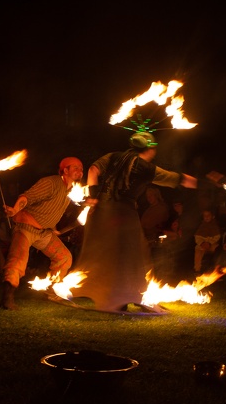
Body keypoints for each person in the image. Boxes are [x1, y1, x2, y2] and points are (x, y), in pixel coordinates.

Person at [70, 131, 202, 312]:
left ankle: (122, 300)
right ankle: (139, 299)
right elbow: (176, 179)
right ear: (150, 148)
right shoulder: (146, 168)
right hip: (123, 213)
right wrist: (202, 183)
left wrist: (93, 198)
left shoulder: (114, 156)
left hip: (101, 212)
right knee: (136, 255)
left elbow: (93, 170)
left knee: (113, 257)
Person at [0, 157, 85, 310]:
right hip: (26, 226)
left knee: (64, 257)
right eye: (75, 168)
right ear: (65, 170)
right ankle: (7, 298)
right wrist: (15, 209)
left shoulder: (72, 190)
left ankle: (53, 291)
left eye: (81, 168)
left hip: (45, 233)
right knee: (17, 259)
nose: (80, 171)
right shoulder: (51, 182)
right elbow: (28, 196)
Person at [193, 209, 222, 273]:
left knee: (216, 250)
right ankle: (197, 269)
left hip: (212, 244)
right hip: (203, 245)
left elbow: (217, 236)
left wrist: (209, 243)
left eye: (208, 215)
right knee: (198, 249)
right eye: (205, 216)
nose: (206, 217)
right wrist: (202, 243)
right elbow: (197, 237)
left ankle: (215, 270)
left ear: (212, 216)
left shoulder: (215, 226)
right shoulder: (201, 226)